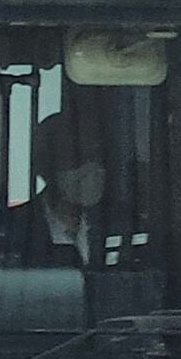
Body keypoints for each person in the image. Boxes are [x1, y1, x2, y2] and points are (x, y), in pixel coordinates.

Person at [15, 109, 107, 267]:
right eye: (76, 158)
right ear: (44, 165)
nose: (90, 166)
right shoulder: (11, 232)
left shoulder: (119, 226)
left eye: (95, 156)